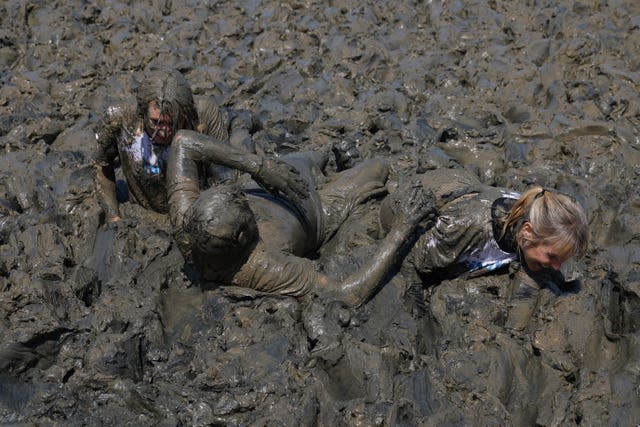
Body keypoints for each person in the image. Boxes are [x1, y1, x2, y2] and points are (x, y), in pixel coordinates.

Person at [165, 129, 437, 307]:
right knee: (378, 166)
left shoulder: (186, 223)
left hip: (275, 179)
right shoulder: (262, 266)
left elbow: (184, 142)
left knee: (310, 157)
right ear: (242, 237)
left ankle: (325, 154)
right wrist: (401, 229)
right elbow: (347, 294)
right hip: (317, 211)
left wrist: (259, 167)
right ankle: (336, 166)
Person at [93, 69, 252, 221]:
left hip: (194, 209)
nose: (164, 131)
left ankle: (243, 122)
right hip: (146, 209)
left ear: (186, 114)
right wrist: (113, 217)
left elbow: (226, 178)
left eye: (172, 123)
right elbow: (101, 166)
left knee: (241, 149)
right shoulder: (118, 119)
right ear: (142, 112)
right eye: (157, 122)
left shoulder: (203, 116)